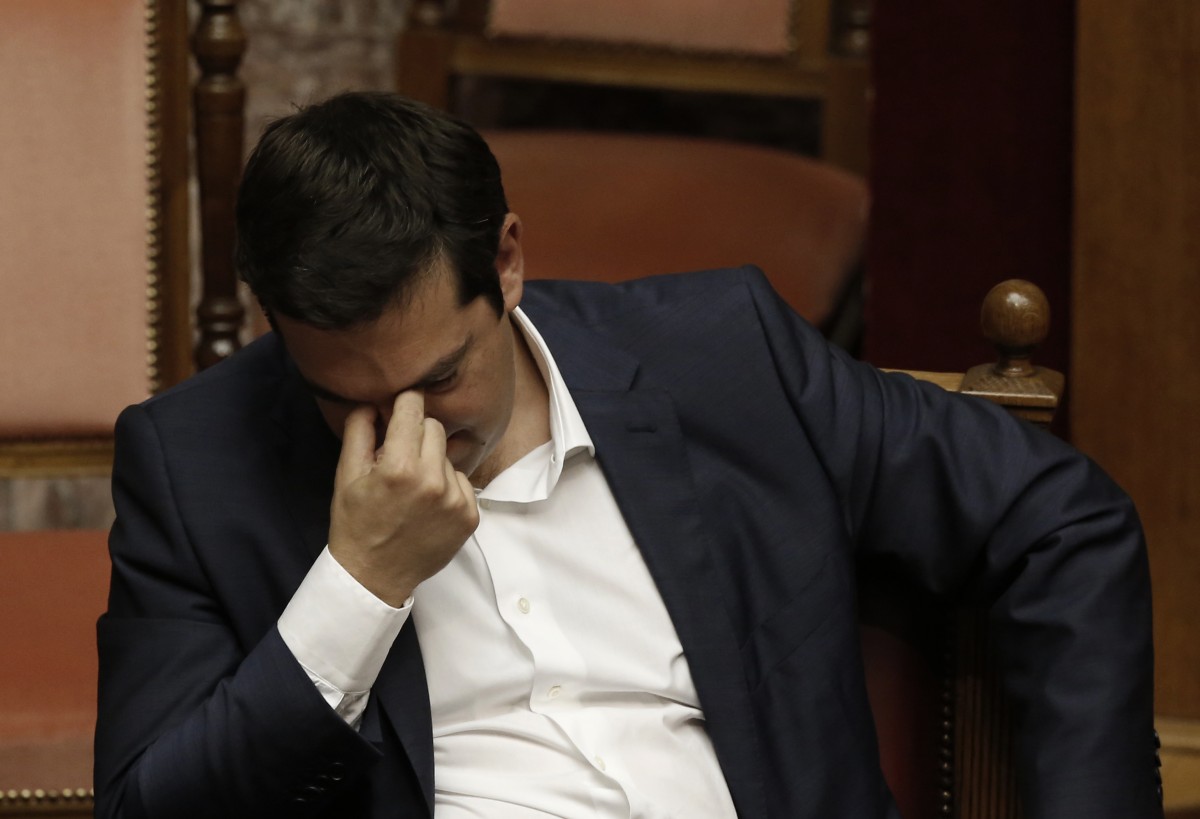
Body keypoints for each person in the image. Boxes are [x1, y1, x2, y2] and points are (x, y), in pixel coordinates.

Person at [94, 92, 1161, 819]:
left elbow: (1063, 523)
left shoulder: (722, 355)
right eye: (346, 399)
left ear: (507, 262)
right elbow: (151, 803)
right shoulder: (196, 462)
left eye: (442, 376)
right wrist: (358, 586)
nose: (405, 430)